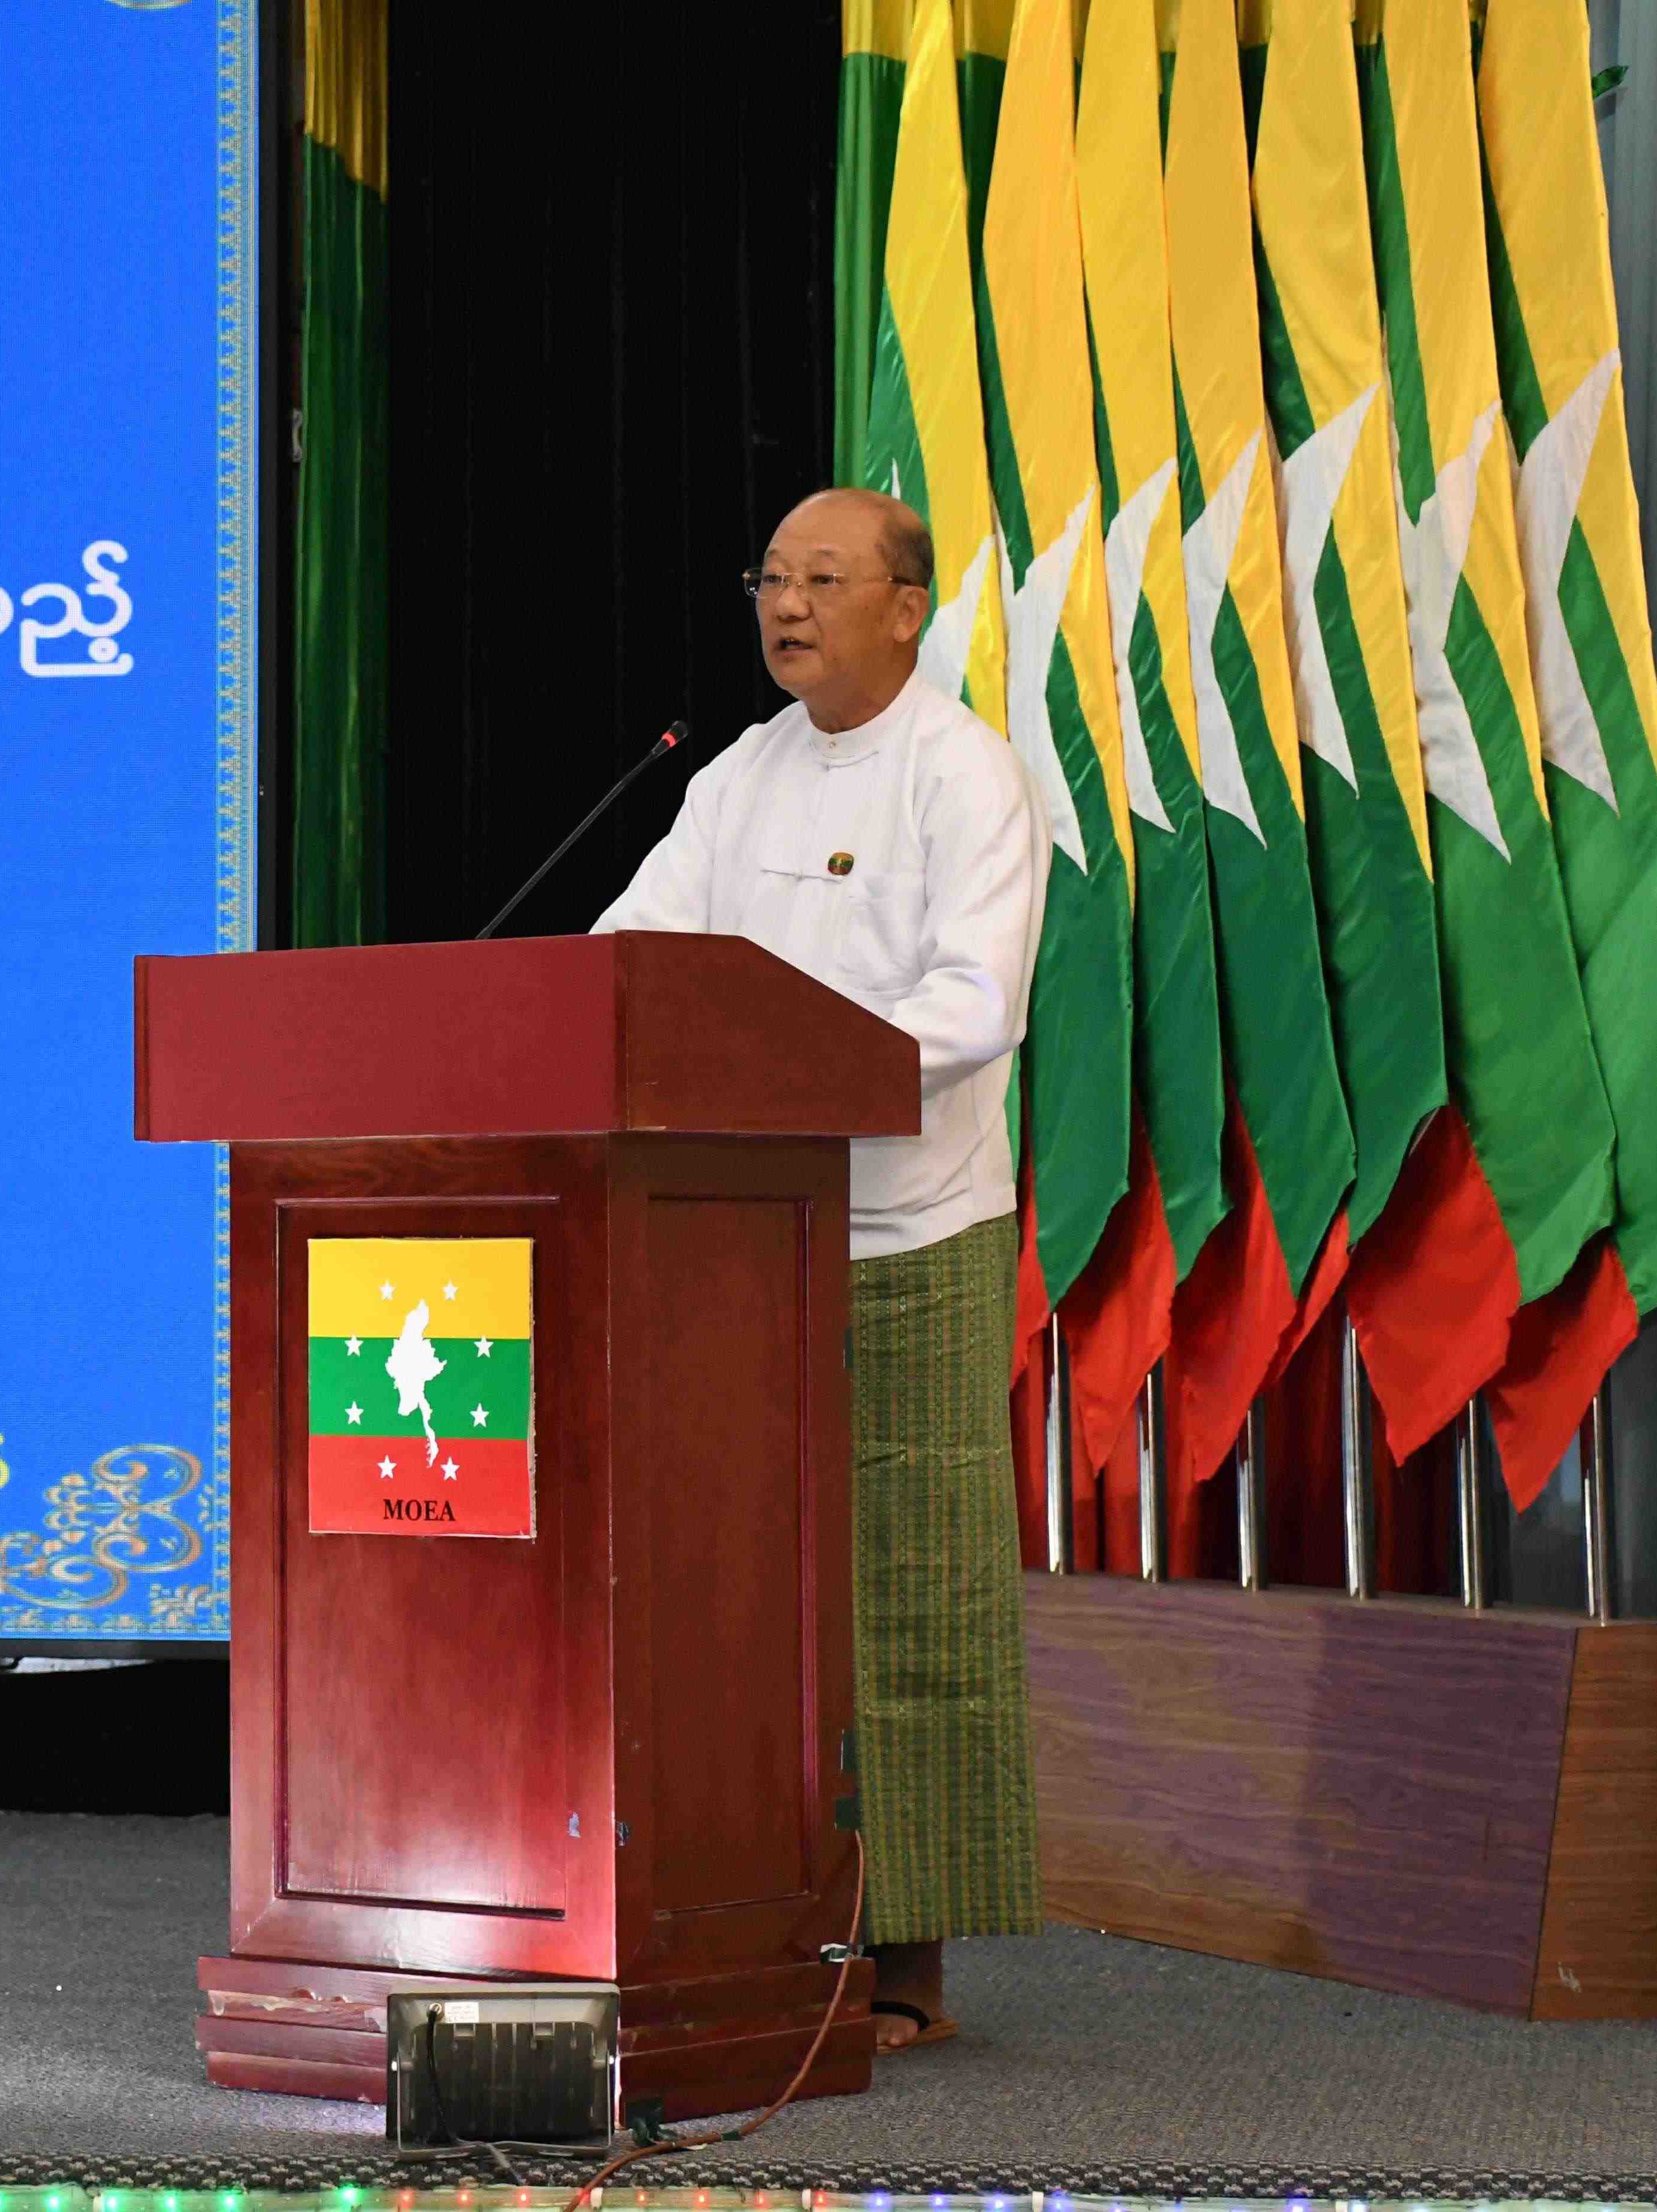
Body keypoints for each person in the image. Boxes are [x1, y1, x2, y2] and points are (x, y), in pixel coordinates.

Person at [593, 486, 1044, 2052]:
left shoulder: (965, 774)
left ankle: (907, 1959)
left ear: (907, 606)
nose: (786, 605)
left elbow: (976, 1005)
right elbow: (630, 958)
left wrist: (789, 1070)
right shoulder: (736, 779)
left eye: (822, 579)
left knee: (907, 1596)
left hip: (910, 1234)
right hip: (735, 1242)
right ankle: (760, 1922)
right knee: (740, 1593)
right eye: (769, 576)